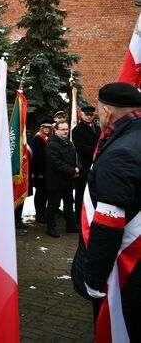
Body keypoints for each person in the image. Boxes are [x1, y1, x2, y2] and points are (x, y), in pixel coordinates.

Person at [71, 82, 141, 341]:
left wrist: (93, 278)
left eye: (99, 111)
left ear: (107, 111)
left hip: (125, 273)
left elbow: (108, 226)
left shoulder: (120, 154)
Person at [44, 120, 80, 237]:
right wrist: (72, 171)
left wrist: (78, 167)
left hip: (68, 181)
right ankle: (51, 228)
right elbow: (56, 163)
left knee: (69, 203)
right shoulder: (51, 145)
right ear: (56, 130)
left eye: (67, 129)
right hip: (55, 181)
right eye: (63, 129)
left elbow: (75, 157)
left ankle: (71, 226)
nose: (65, 131)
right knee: (53, 205)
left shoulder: (68, 143)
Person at [71, 106, 101, 228]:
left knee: (95, 191)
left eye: (91, 115)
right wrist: (97, 151)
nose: (89, 117)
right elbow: (80, 147)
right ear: (82, 115)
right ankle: (79, 217)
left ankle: (93, 215)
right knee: (81, 192)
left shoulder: (98, 129)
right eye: (87, 115)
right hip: (84, 165)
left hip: (97, 164)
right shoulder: (77, 130)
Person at [29, 120, 53, 223]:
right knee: (40, 194)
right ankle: (39, 214)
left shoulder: (48, 139)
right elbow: (36, 157)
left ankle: (43, 213)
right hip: (40, 171)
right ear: (41, 128)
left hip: (47, 171)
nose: (47, 129)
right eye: (45, 127)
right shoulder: (37, 138)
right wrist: (38, 172)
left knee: (45, 194)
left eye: (48, 128)